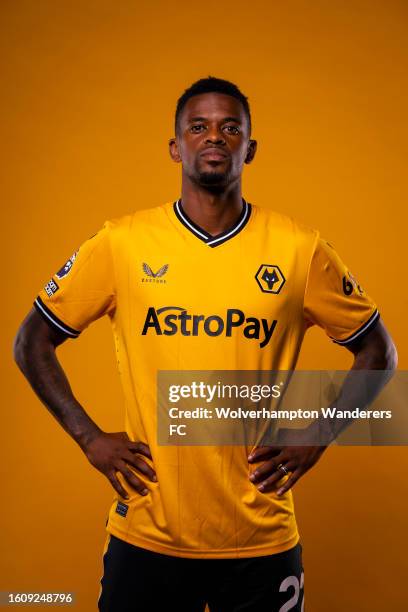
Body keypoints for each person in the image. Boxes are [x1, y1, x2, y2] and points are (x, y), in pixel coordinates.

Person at [14, 76, 397, 611]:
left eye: (229, 127)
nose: (214, 137)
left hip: (261, 537)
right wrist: (88, 437)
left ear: (249, 148)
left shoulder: (298, 249)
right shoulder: (122, 244)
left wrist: (318, 434)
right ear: (176, 147)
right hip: (147, 536)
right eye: (199, 126)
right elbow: (31, 341)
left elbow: (379, 351)